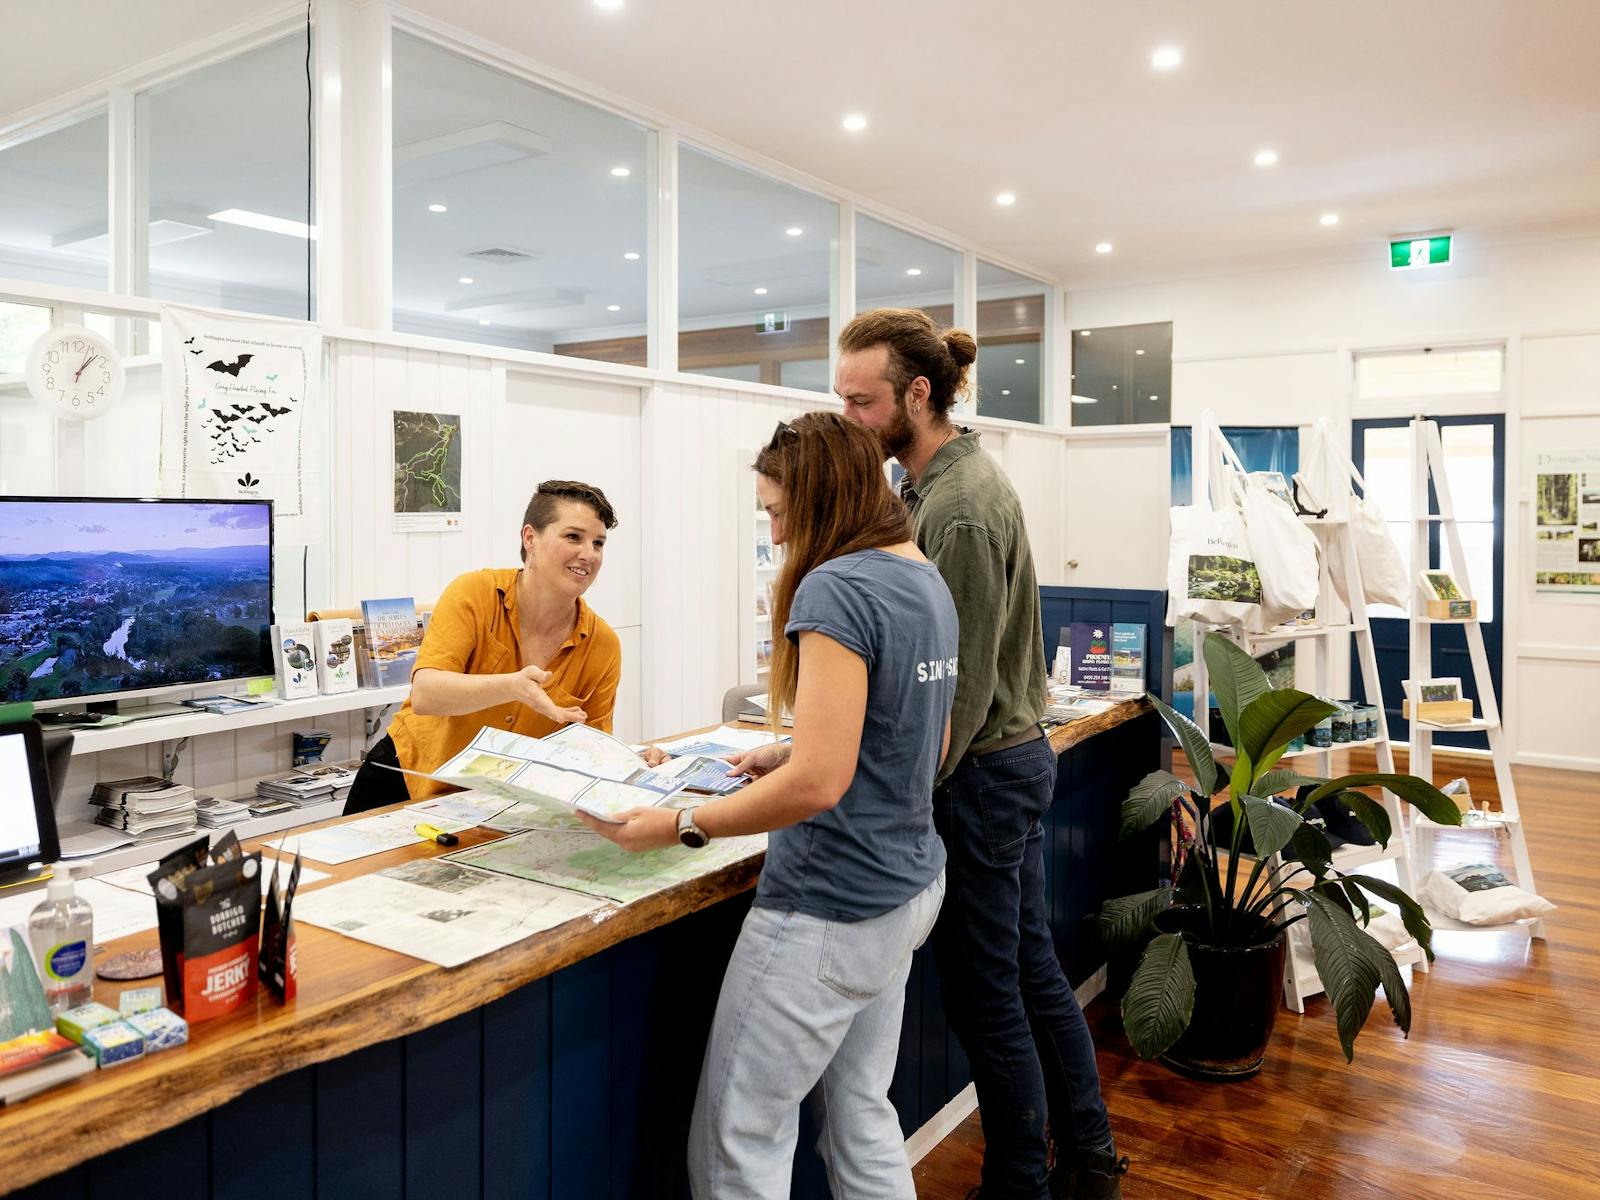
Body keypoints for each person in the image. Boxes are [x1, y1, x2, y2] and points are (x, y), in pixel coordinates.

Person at [583, 413, 957, 1198]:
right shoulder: (920, 572)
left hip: (830, 907)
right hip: (909, 887)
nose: (777, 533)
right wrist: (790, 749)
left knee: (738, 1140)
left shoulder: (838, 585)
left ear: (818, 500)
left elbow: (821, 786)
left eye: (779, 512)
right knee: (862, 1113)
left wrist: (677, 824)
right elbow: (927, 734)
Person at [838, 308, 1127, 1200]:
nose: (850, 417)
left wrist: (892, 789)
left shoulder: (956, 508)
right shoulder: (931, 486)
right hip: (1005, 762)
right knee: (1028, 970)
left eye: (864, 400)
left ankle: (1020, 1182)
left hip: (980, 775)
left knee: (985, 993)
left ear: (916, 395)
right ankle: (1088, 1156)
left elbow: (948, 691)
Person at [343, 479, 630, 814]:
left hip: (493, 805)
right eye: (573, 537)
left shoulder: (603, 644)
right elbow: (425, 694)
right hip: (405, 780)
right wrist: (513, 686)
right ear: (530, 538)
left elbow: (593, 748)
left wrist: (634, 764)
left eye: (598, 543)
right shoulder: (474, 593)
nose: (588, 554)